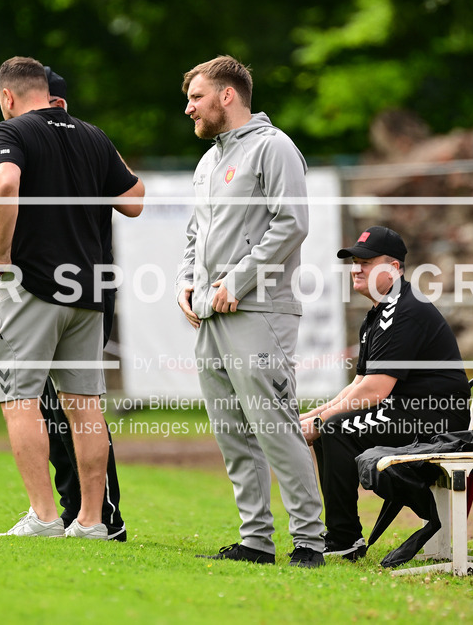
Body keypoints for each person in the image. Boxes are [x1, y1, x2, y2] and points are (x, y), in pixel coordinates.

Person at [0, 56, 144, 538]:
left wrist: (1, 254)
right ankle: (92, 522)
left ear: (8, 97)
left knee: (20, 398)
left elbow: (5, 183)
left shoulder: (8, 133)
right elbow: (134, 199)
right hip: (89, 289)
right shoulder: (92, 134)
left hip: (33, 285)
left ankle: (45, 516)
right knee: (85, 405)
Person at [175, 55, 326, 568]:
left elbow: (292, 224)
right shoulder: (207, 161)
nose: (189, 108)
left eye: (196, 98)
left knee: (275, 427)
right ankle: (256, 541)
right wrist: (187, 282)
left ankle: (309, 541)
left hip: (260, 311)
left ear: (227, 95)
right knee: (232, 432)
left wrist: (236, 280)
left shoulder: (273, 147)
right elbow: (196, 235)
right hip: (210, 316)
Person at [300, 226, 470, 561]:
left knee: (334, 430)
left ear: (393, 268)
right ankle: (343, 536)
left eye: (365, 260)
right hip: (415, 413)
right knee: (330, 426)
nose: (356, 268)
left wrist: (321, 421)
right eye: (353, 261)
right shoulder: (382, 311)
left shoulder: (401, 311)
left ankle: (343, 539)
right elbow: (359, 384)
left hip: (435, 423)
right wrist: (307, 418)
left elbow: (376, 391)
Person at [34, 65, 127, 541]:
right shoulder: (62, 144)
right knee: (54, 406)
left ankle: (104, 515)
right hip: (68, 289)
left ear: (56, 104)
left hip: (82, 289)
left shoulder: (85, 140)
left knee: (78, 403)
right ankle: (75, 509)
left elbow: (133, 198)